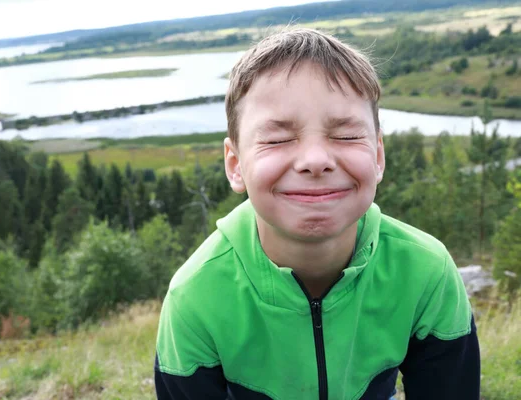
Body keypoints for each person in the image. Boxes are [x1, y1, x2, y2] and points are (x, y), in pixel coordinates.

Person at [153, 28, 480, 400]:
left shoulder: (425, 271)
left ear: (377, 156)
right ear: (236, 165)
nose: (315, 161)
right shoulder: (197, 295)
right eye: (277, 139)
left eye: (345, 135)